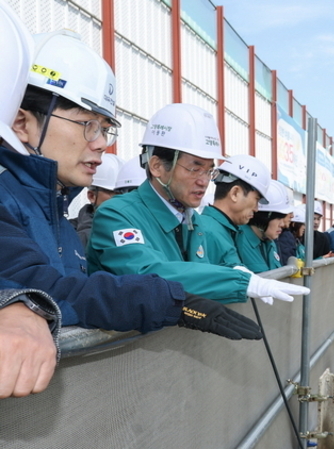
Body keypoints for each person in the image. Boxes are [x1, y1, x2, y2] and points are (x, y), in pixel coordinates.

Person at [0, 26, 261, 340]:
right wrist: (176, 301)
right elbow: (53, 290)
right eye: (88, 125)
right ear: (21, 123)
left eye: (106, 129)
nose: (101, 143)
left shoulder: (58, 217)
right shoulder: (12, 206)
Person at [86, 103, 308, 305]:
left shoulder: (195, 221)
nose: (203, 181)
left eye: (208, 170)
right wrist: (242, 282)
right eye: (194, 167)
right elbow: (147, 272)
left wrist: (237, 271)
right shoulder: (116, 215)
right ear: (156, 166)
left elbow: (225, 262)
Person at [201, 154, 270, 267]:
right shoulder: (209, 233)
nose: (256, 209)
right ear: (235, 193)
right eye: (256, 199)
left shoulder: (224, 232)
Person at [238, 180, 293, 272]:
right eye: (279, 218)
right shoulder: (239, 241)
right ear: (265, 216)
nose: (283, 224)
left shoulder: (270, 243)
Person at [70, 152, 121, 246]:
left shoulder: (144, 226)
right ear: (92, 196)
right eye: (115, 194)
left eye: (128, 192)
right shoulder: (67, 233)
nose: (122, 200)